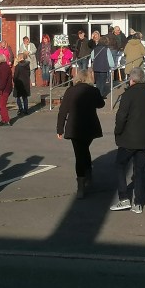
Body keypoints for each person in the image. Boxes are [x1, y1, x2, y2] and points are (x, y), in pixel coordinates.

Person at [110, 67, 145, 213]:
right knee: (139, 170)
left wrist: (118, 131)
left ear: (131, 79)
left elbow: (121, 117)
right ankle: (138, 203)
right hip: (143, 138)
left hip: (127, 138)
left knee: (120, 165)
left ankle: (123, 198)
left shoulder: (128, 95)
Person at [56, 68, 105, 199]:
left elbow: (63, 111)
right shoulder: (93, 90)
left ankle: (81, 185)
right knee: (84, 149)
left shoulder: (70, 91)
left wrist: (59, 128)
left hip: (74, 126)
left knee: (79, 154)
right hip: (90, 126)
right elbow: (101, 104)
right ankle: (88, 174)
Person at [0, 54, 13, 126]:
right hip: (7, 88)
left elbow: (3, 79)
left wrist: (1, 88)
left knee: (2, 105)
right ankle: (3, 119)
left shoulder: (3, 67)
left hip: (5, 89)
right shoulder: (4, 66)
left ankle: (6, 120)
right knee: (1, 105)